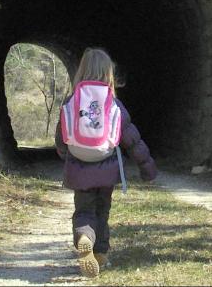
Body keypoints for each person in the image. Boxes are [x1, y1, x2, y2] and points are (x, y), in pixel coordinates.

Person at [55, 47, 157, 277]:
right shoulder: (113, 104)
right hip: (106, 167)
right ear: (108, 73)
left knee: (83, 211)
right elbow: (132, 139)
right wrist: (147, 169)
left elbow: (61, 136)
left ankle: (84, 237)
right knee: (102, 211)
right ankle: (100, 254)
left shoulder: (72, 100)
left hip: (79, 166)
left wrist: (66, 156)